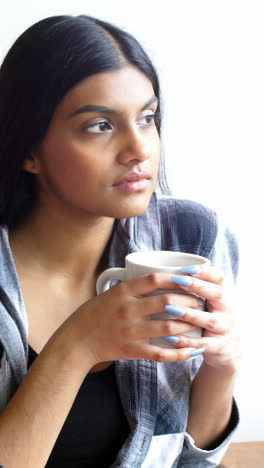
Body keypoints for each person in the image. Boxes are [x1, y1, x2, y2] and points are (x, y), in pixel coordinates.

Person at [0, 14, 240, 468]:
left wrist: (221, 365)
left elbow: (191, 463)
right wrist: (78, 345)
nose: (139, 149)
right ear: (29, 150)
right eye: (100, 126)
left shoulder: (191, 235)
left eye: (147, 118)